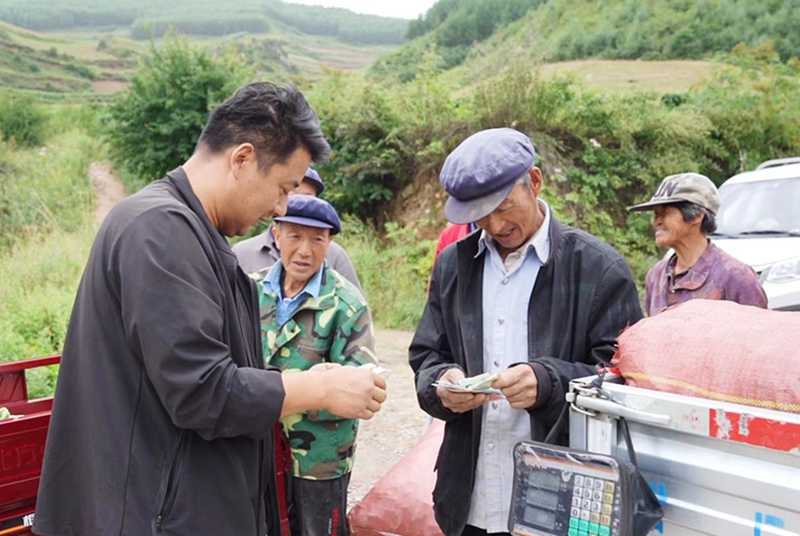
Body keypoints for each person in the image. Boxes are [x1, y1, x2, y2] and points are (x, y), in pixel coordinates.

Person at [33, 82, 387, 536]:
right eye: (282, 188)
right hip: (150, 517)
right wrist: (318, 389)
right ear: (242, 159)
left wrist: (298, 380)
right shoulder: (160, 230)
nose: (280, 208)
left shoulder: (196, 234)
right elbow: (202, 391)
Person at [408, 128, 643, 536]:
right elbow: (427, 355)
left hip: (558, 502)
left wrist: (549, 382)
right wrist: (442, 384)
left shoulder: (598, 269)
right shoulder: (454, 266)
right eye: (481, 214)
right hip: (469, 499)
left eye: (503, 206)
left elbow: (627, 380)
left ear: (534, 182)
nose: (496, 224)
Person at [254, 194, 377, 536]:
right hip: (255, 450)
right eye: (294, 236)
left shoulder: (347, 304)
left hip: (318, 460)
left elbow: (363, 389)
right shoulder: (249, 289)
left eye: (317, 240)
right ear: (276, 235)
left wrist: (289, 395)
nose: (304, 251)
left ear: (330, 243)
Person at [629, 172, 768, 316]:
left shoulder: (736, 277)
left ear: (697, 216)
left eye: (665, 213)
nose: (657, 222)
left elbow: (760, 328)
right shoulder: (656, 276)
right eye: (656, 214)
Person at [233, 167, 364, 295]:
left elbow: (354, 301)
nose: (299, 204)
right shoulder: (243, 252)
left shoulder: (335, 255)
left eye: (307, 198)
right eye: (290, 195)